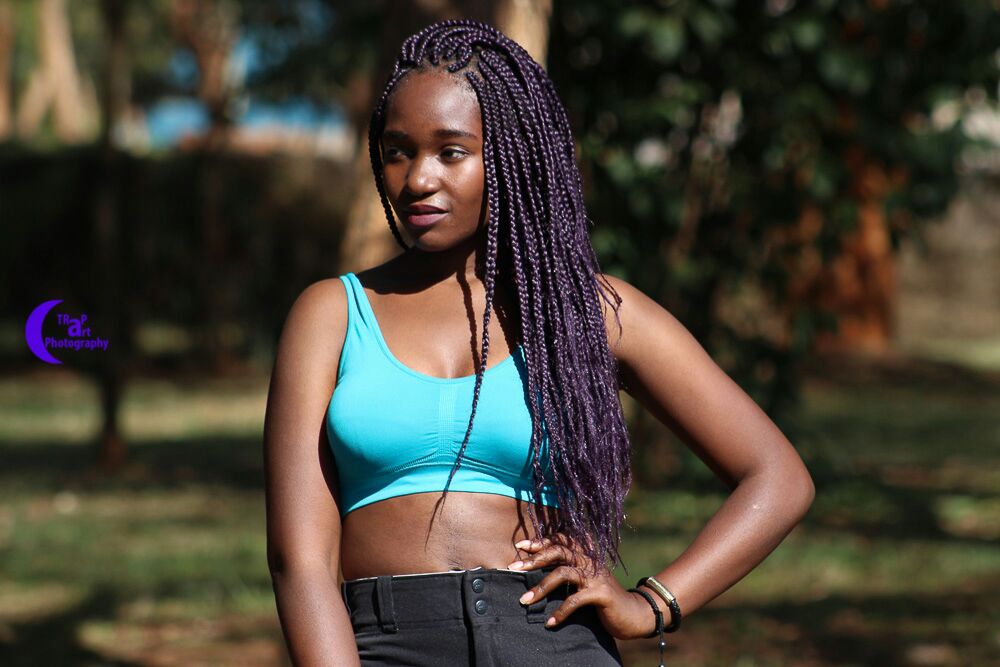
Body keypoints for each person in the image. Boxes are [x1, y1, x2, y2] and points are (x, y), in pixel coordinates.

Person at [263, 19, 815, 667]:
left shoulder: (589, 312)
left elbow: (777, 478)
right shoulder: (331, 315)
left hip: (552, 638)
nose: (417, 180)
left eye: (451, 151)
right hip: (386, 642)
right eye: (397, 151)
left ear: (511, 156)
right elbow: (299, 560)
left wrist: (653, 604)